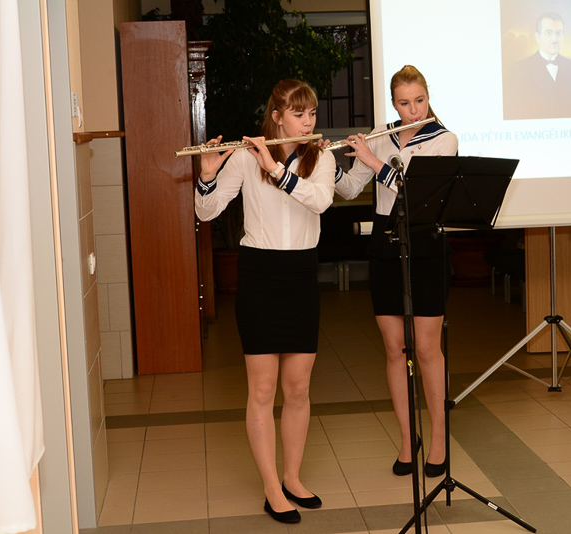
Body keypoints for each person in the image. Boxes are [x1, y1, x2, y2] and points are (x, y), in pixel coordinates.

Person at [194, 79, 335, 524]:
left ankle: (292, 478)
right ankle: (272, 488)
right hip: (258, 274)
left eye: (311, 113)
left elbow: (320, 201)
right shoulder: (244, 157)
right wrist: (207, 175)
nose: (308, 121)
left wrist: (276, 169)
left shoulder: (321, 157)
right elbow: (206, 211)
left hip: (301, 275)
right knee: (261, 390)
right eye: (298, 114)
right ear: (276, 117)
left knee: (298, 389)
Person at [332, 65, 458, 478]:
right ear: (393, 103)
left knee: (426, 349)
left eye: (419, 100)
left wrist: (373, 160)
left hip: (426, 242)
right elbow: (350, 188)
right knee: (393, 349)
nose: (413, 110)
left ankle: (439, 440)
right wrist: (326, 162)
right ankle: (408, 439)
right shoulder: (380, 135)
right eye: (404, 103)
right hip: (386, 241)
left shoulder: (444, 140)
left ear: (428, 97)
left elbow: (417, 193)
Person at [503, 12, 571, 120]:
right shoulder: (518, 70)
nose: (555, 39)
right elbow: (513, 111)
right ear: (538, 37)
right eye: (549, 33)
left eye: (558, 33)